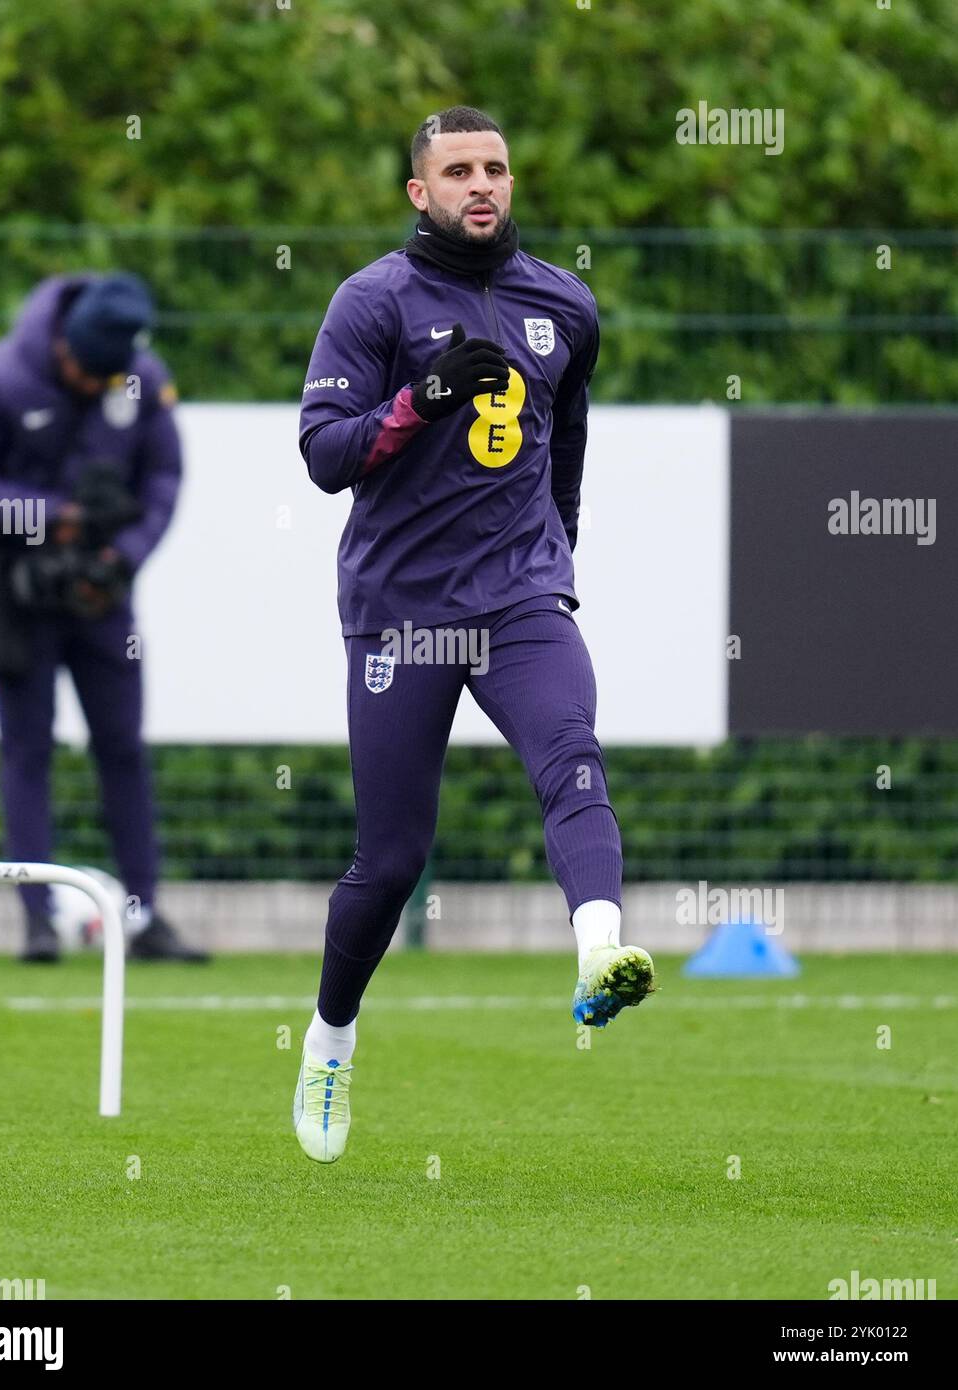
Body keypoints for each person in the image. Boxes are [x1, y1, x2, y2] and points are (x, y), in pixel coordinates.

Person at [294, 106, 653, 1162]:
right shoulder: (373, 300)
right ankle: (328, 1039)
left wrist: (554, 555)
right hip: (402, 610)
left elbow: (565, 445)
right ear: (419, 191)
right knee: (392, 857)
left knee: (570, 757)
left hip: (518, 599)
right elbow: (323, 452)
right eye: (456, 170)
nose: (480, 183)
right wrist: (413, 403)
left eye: (494, 166)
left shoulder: (563, 302)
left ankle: (598, 952)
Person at [0, 271, 208, 963]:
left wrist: (124, 555)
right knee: (27, 753)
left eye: (105, 377)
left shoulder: (139, 378)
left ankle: (143, 918)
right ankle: (37, 920)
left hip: (104, 595)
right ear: (62, 347)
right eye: (85, 373)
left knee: (123, 749)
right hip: (17, 594)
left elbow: (164, 478)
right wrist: (54, 519)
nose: (94, 385)